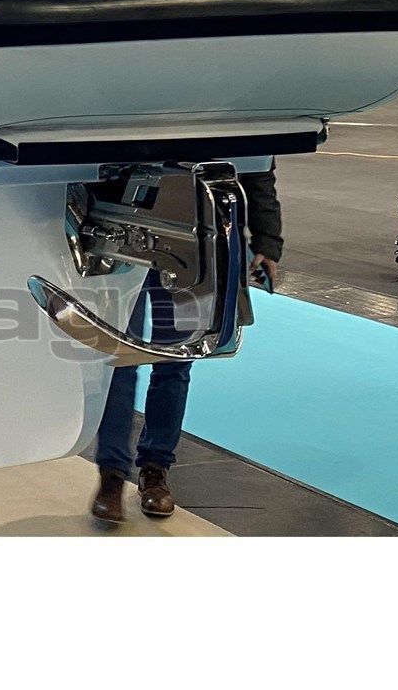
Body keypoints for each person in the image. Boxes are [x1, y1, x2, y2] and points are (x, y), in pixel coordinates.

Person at [89, 157, 284, 523]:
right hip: (122, 227)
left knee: (176, 358)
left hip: (193, 237)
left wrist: (267, 240)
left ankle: (155, 468)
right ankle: (112, 473)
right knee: (119, 357)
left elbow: (258, 163)